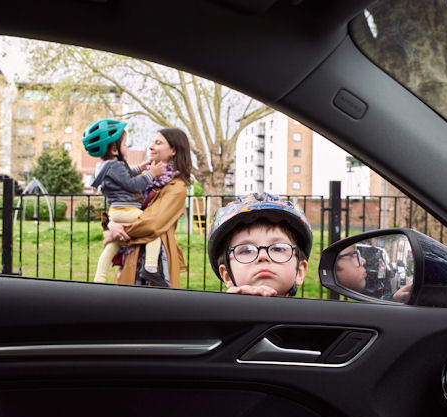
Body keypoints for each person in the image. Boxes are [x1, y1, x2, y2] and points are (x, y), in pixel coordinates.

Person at [103, 128, 192, 288]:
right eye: (152, 142)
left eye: (158, 143)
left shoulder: (176, 188)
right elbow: (118, 208)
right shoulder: (140, 179)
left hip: (156, 263)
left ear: (173, 150)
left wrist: (116, 234)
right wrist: (110, 225)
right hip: (129, 259)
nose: (151, 147)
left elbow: (152, 224)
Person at [82, 119, 166, 285]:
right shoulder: (116, 166)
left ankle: (99, 279)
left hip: (116, 212)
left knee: (113, 246)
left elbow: (124, 177)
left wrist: (140, 168)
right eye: (125, 145)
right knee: (155, 229)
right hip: (128, 211)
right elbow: (132, 184)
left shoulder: (104, 166)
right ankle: (150, 268)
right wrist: (152, 174)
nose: (128, 148)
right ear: (114, 149)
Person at [207, 193, 313, 297]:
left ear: (299, 271)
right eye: (246, 250)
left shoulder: (311, 314)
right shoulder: (219, 314)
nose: (263, 256)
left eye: (278, 248)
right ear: (227, 275)